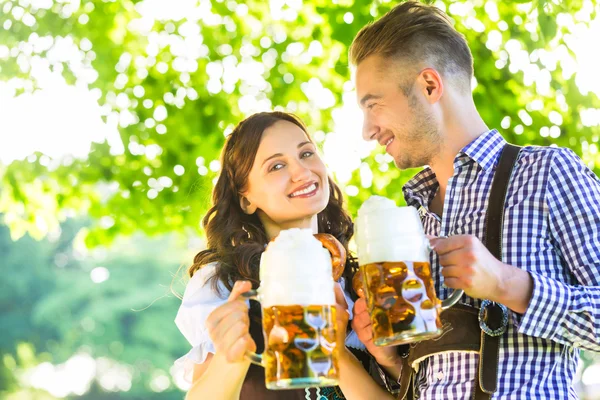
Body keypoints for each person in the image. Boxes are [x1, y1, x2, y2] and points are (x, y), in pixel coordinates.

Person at [348, 1, 600, 399]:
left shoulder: (547, 173)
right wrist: (393, 360)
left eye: (373, 106)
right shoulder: (409, 219)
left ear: (429, 86)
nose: (367, 130)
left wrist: (509, 284)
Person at [174, 111, 395, 399]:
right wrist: (232, 358)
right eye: (277, 166)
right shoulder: (225, 285)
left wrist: (355, 355)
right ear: (246, 198)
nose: (302, 172)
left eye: (306, 154)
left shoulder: (363, 283)